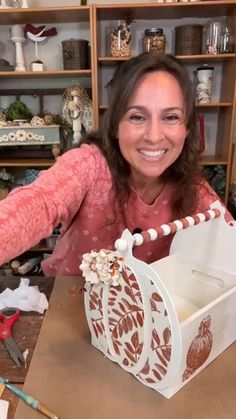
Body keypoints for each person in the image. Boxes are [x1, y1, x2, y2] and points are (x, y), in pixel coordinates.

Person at [0, 53, 233, 276]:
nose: (153, 136)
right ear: (116, 127)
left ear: (187, 129)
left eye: (171, 117)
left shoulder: (193, 188)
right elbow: (39, 202)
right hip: (68, 301)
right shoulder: (89, 165)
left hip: (148, 310)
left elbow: (228, 239)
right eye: (137, 117)